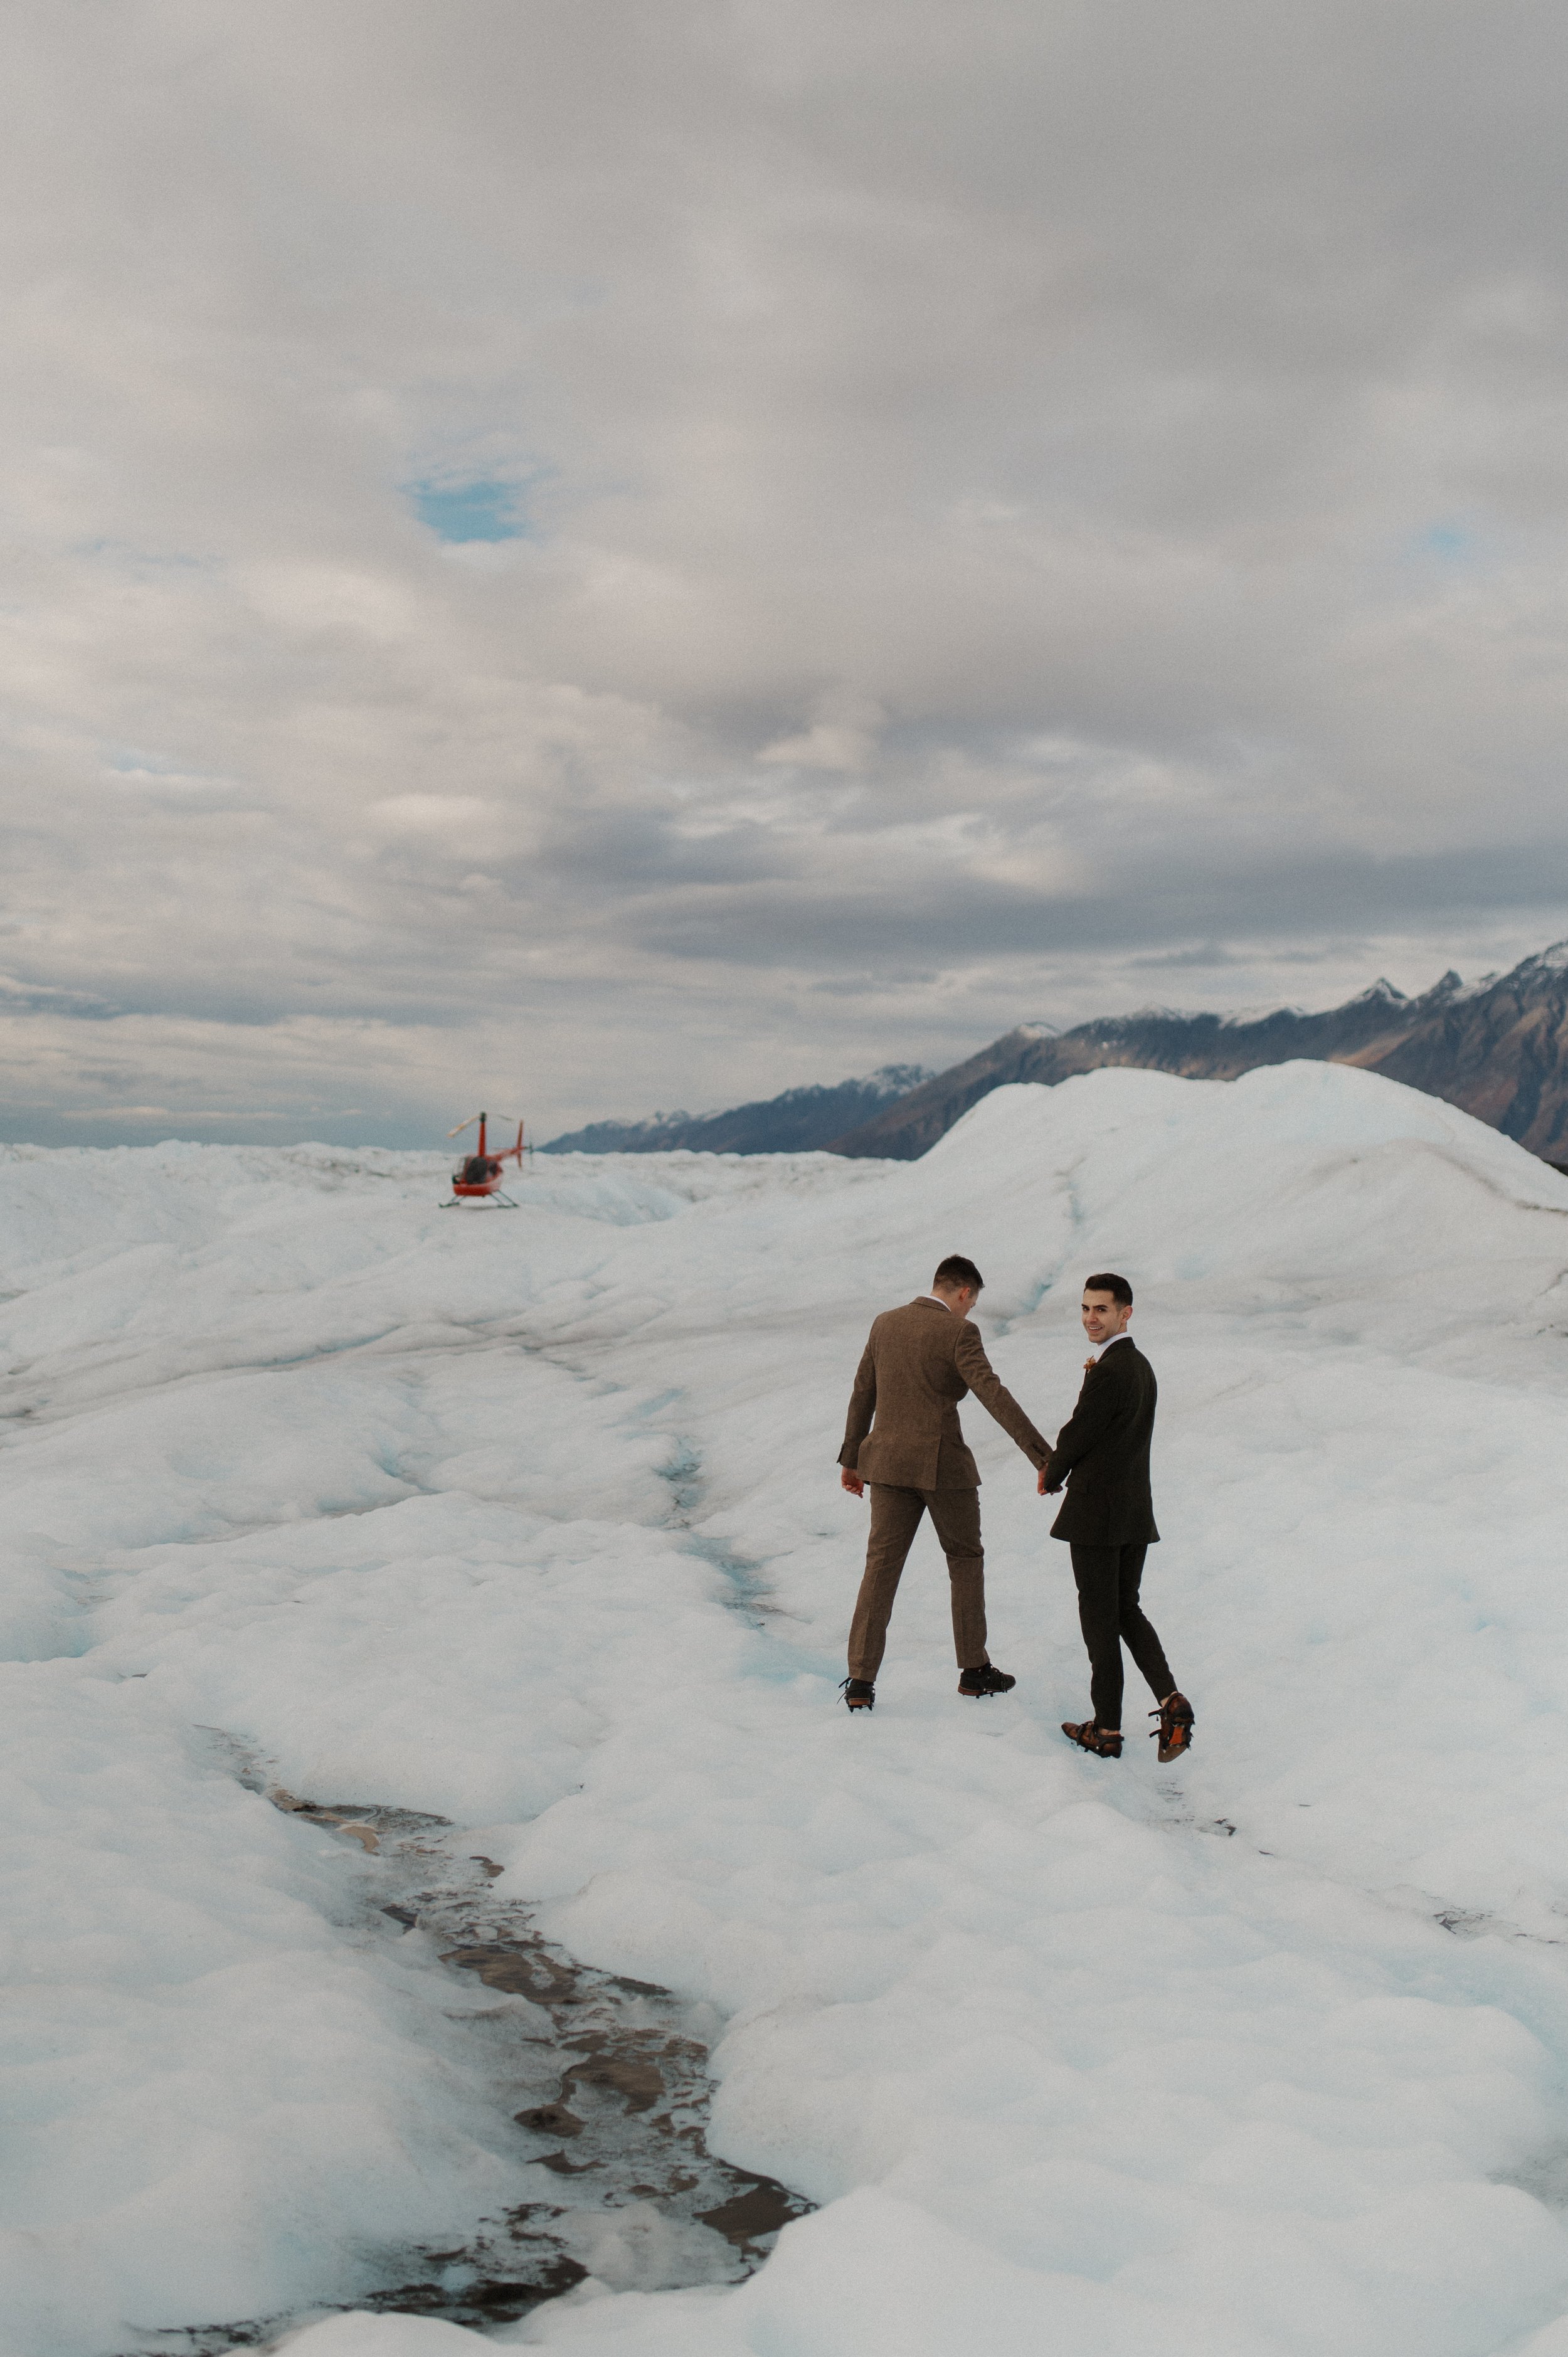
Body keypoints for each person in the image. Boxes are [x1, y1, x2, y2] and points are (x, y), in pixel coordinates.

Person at [838, 1254, 1050, 1710]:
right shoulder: (958, 1332)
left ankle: (859, 1681)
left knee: (881, 1568)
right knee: (965, 1559)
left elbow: (863, 1392)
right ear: (963, 1293)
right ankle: (974, 1670)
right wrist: (1043, 1457)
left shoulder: (885, 1323)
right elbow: (993, 1394)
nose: (968, 1312)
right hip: (941, 1467)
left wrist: (852, 1461)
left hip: (887, 1468)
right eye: (970, 1305)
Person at [1039, 1273, 1194, 1762]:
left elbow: (1080, 1431)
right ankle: (1172, 1702)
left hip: (1097, 1515)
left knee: (1100, 1622)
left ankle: (1106, 1730)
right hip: (1133, 1514)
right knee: (1126, 1609)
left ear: (1126, 1313)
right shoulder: (1140, 1366)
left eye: (1101, 1310)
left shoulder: (1111, 1370)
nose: (1091, 1318)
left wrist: (1053, 1470)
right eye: (1085, 1308)